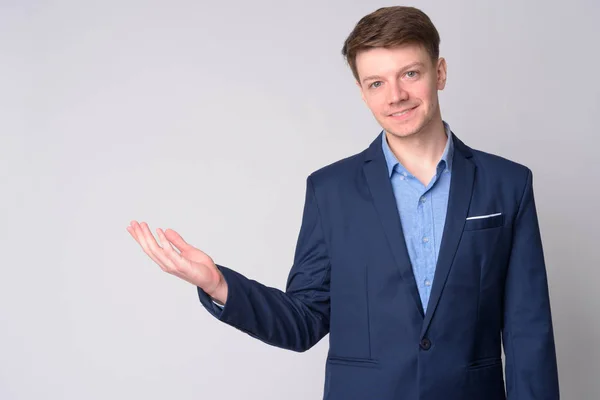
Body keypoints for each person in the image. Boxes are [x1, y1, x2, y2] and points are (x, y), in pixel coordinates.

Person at [127, 6, 559, 399]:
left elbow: (528, 333)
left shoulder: (508, 183)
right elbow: (304, 320)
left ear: (439, 72)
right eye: (377, 82)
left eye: (410, 74)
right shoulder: (329, 190)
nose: (395, 96)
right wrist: (218, 284)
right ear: (362, 91)